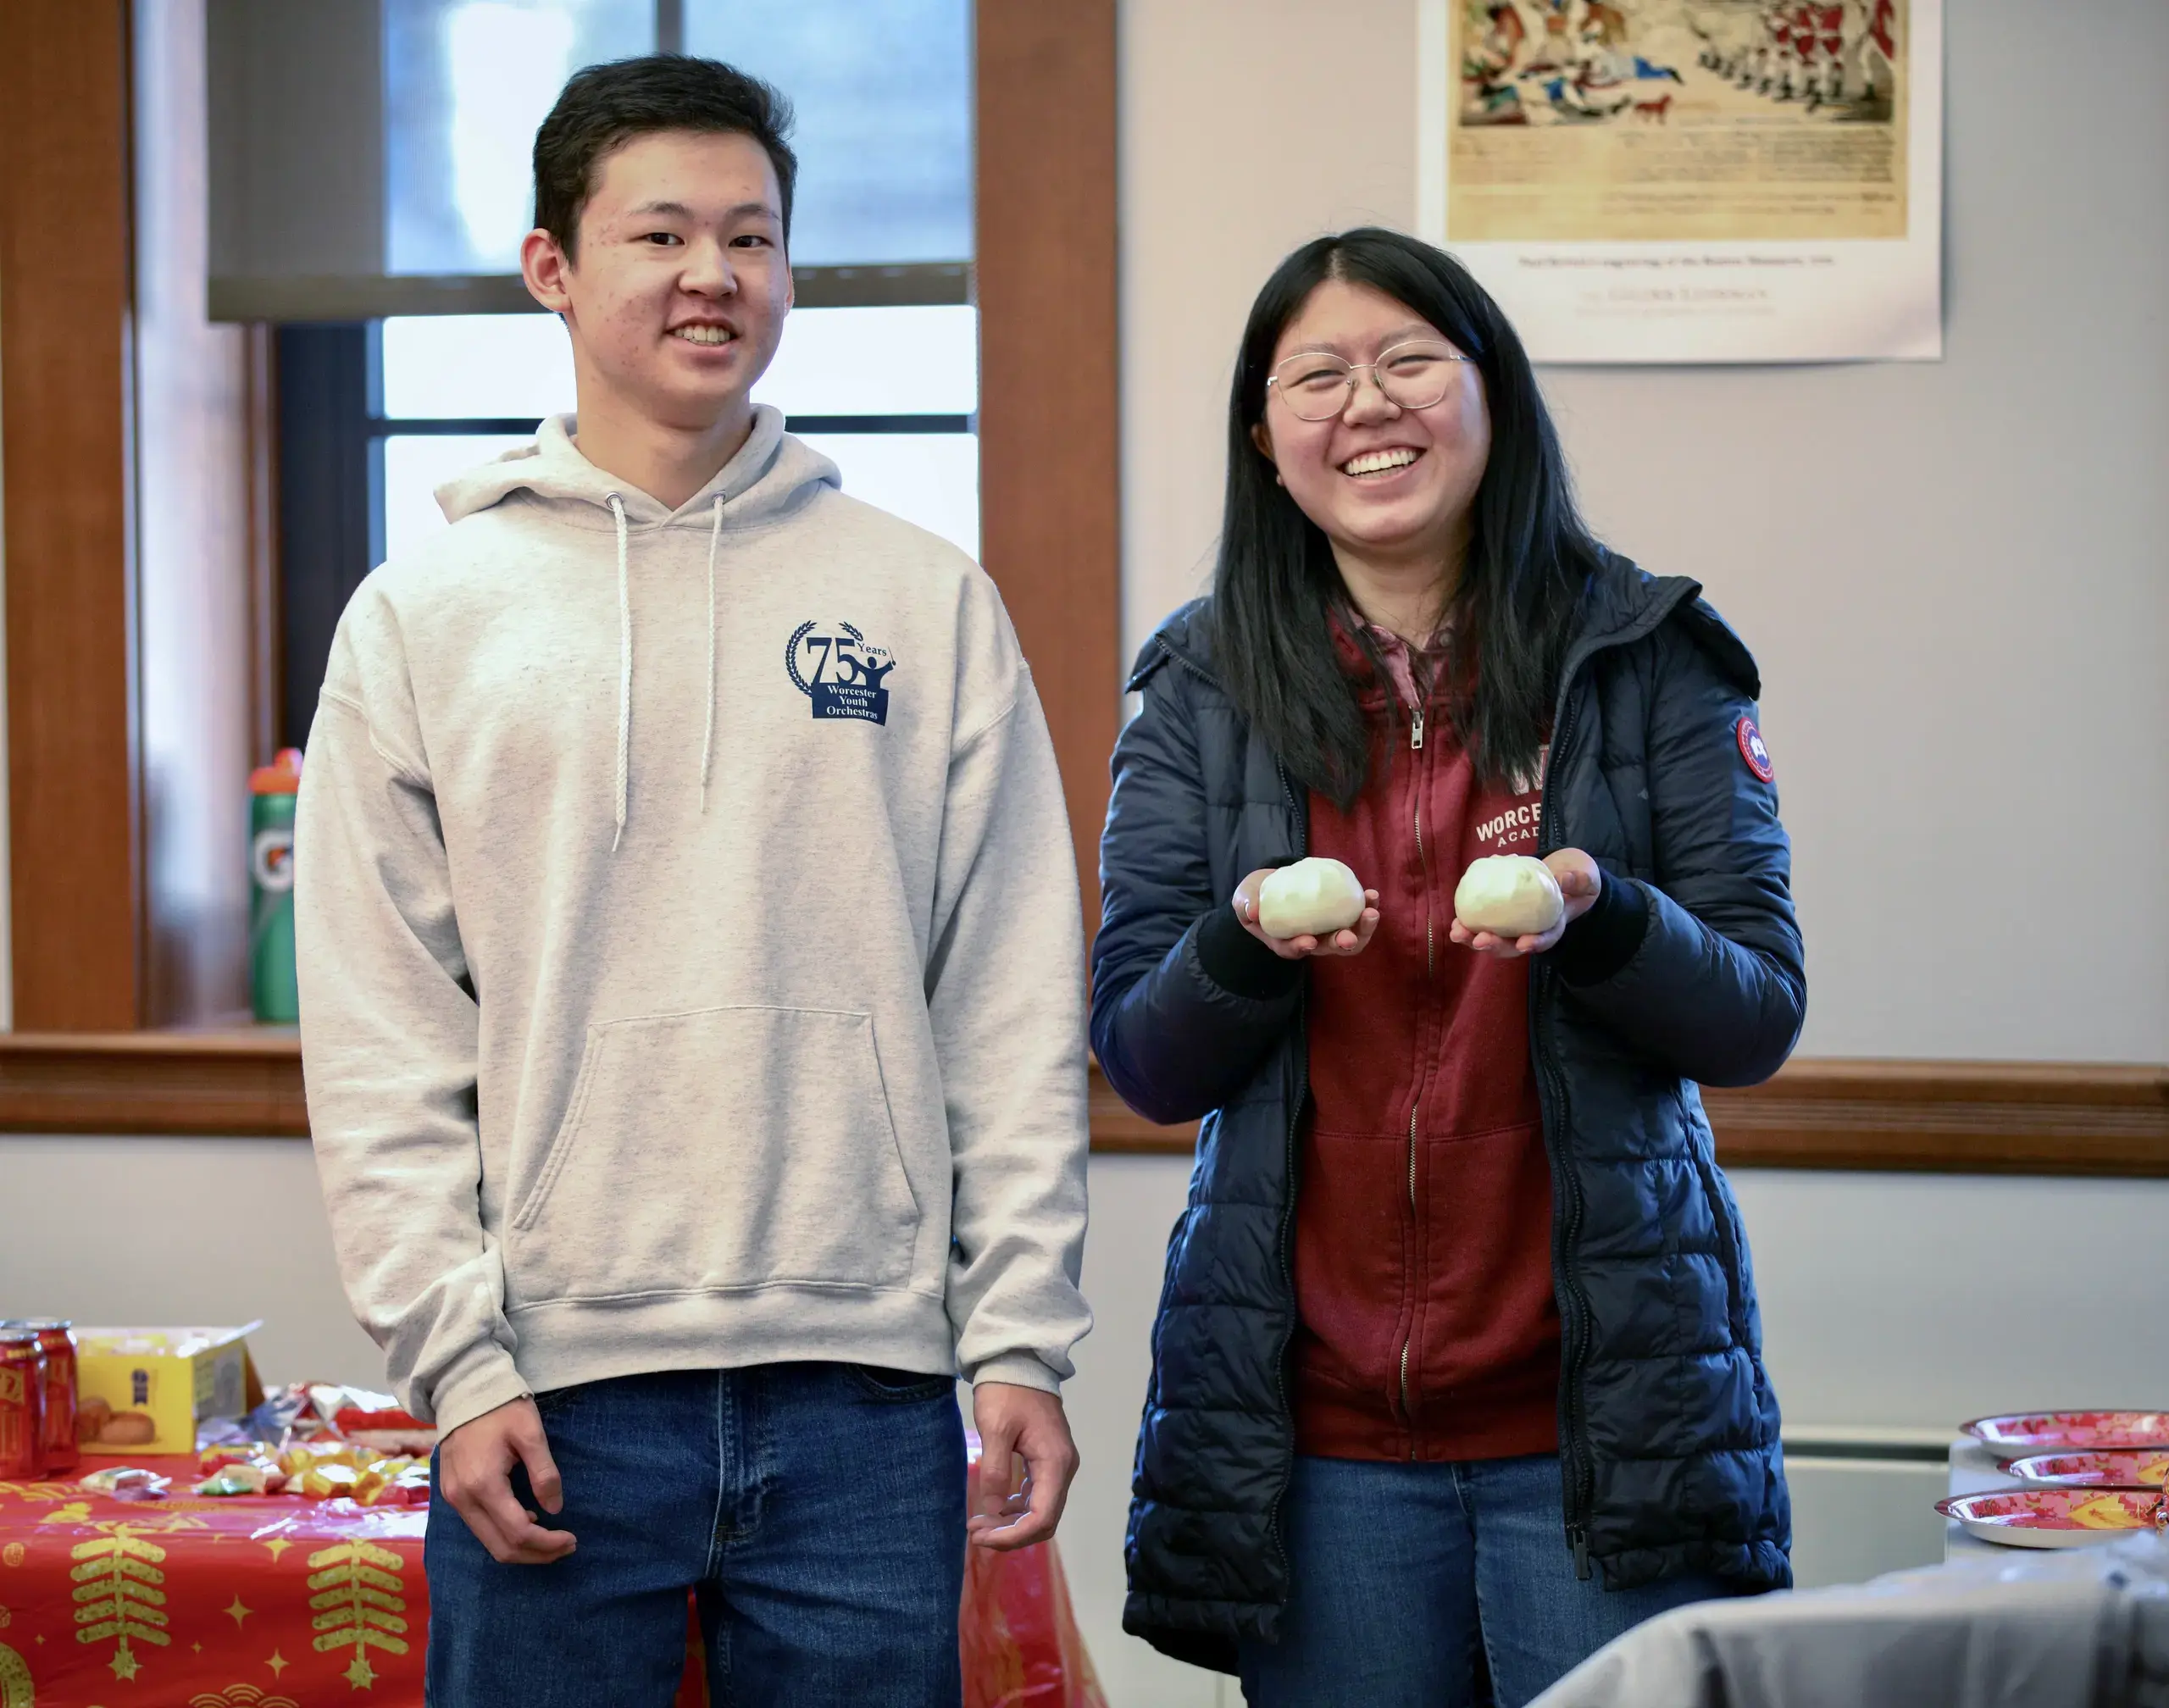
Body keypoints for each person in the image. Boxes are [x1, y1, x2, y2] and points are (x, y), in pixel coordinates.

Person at [295, 55, 1090, 1707]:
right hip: (555, 1392)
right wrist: (453, 1364)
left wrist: (1014, 1331)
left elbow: (1006, 994)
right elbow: (378, 1036)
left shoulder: (921, 601)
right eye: (659, 234)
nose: (713, 275)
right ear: (552, 270)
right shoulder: (422, 618)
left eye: (752, 237)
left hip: (866, 1386)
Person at [1093, 227, 1805, 1707]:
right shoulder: (1202, 685)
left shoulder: (1647, 653)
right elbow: (1146, 1062)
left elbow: (1755, 1014)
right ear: (1266, 439)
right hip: (1322, 1440)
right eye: (1320, 376)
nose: (1370, 405)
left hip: (1601, 1422)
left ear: (1494, 396)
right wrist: (1242, 939)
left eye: (1412, 359)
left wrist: (1601, 913)